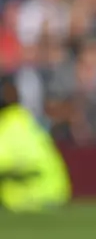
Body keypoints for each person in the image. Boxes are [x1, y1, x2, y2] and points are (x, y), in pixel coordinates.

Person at [0, 75, 71, 212]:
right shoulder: (22, 119)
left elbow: (15, 161)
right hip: (47, 195)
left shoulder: (12, 124)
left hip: (37, 199)